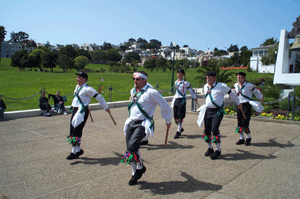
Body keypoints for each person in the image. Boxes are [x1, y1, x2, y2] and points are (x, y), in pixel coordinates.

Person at [122, 71, 172, 185]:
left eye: (138, 79)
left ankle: (139, 168)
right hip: (131, 122)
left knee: (131, 147)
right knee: (131, 150)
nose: (135, 81)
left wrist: (168, 120)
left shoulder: (151, 93)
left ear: (145, 80)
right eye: (134, 79)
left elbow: (164, 105)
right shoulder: (133, 91)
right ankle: (136, 171)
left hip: (143, 124)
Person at [197, 71, 242, 160]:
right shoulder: (206, 86)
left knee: (214, 129)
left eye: (210, 77)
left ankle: (218, 150)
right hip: (208, 110)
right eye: (207, 77)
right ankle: (210, 148)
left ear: (214, 78)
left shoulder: (221, 86)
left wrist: (238, 102)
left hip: (217, 111)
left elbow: (231, 93)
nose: (208, 79)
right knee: (207, 130)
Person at [66, 72, 111, 160]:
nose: (77, 79)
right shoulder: (77, 87)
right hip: (75, 110)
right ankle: (78, 150)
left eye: (79, 77)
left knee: (76, 131)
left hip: (81, 111)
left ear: (84, 79)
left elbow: (99, 97)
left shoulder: (88, 89)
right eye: (77, 77)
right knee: (72, 130)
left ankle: (74, 151)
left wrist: (106, 107)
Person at [234, 72, 264, 146]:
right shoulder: (236, 85)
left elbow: (256, 92)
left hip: (246, 105)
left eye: (240, 77)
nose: (239, 79)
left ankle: (248, 137)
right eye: (238, 77)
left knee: (245, 122)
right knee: (239, 122)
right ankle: (241, 138)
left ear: (244, 78)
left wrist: (261, 97)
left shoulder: (249, 85)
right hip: (239, 105)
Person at [171, 68, 198, 139]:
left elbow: (191, 91)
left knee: (180, 116)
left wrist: (194, 97)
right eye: (178, 73)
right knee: (175, 116)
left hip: (182, 100)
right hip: (176, 99)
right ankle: (180, 127)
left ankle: (178, 131)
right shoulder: (175, 82)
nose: (179, 75)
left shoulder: (185, 83)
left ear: (183, 74)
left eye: (180, 73)